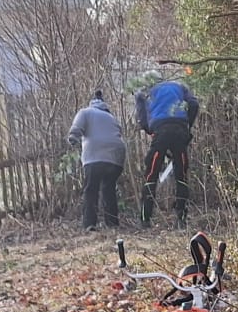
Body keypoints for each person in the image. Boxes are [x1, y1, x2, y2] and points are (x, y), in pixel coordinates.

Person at [134, 74, 200, 226]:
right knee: (181, 175)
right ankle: (181, 219)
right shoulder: (180, 87)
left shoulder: (145, 90)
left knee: (151, 173)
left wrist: (149, 130)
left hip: (160, 131)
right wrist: (187, 126)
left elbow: (142, 115)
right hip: (179, 131)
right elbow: (194, 105)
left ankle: (145, 220)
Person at [68, 89, 126, 231]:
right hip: (117, 156)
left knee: (91, 189)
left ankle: (89, 224)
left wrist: (73, 138)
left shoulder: (85, 112)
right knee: (109, 188)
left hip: (95, 155)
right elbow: (118, 132)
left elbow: (76, 129)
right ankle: (112, 223)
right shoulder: (111, 118)